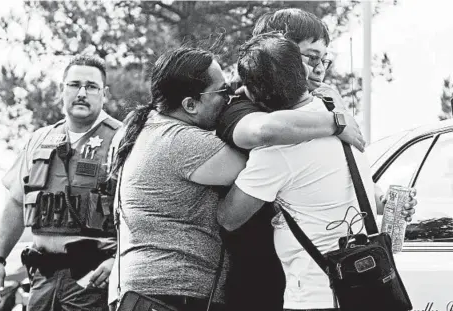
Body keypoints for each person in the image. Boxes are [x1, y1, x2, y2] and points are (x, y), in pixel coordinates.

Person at [217, 32, 416, 311]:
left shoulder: (276, 152)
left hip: (316, 296)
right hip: (372, 292)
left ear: (253, 93)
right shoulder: (338, 116)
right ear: (302, 71)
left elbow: (229, 218)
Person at [216, 8, 359, 311]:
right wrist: (336, 122)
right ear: (282, 52)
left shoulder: (325, 103)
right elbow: (264, 132)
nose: (320, 69)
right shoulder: (242, 106)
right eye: (311, 57)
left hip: (317, 278)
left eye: (324, 59)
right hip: (259, 275)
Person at [107, 47, 246, 311]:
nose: (229, 98)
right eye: (223, 92)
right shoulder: (180, 142)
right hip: (171, 295)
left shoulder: (147, 128)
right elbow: (260, 164)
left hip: (148, 293)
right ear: (190, 105)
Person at [0, 55, 122, 311]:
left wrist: (118, 261)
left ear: (103, 94)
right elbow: (16, 203)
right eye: (74, 85)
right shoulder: (39, 139)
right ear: (62, 89)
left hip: (94, 279)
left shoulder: (122, 140)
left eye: (91, 86)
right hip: (42, 278)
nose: (82, 92)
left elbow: (141, 212)